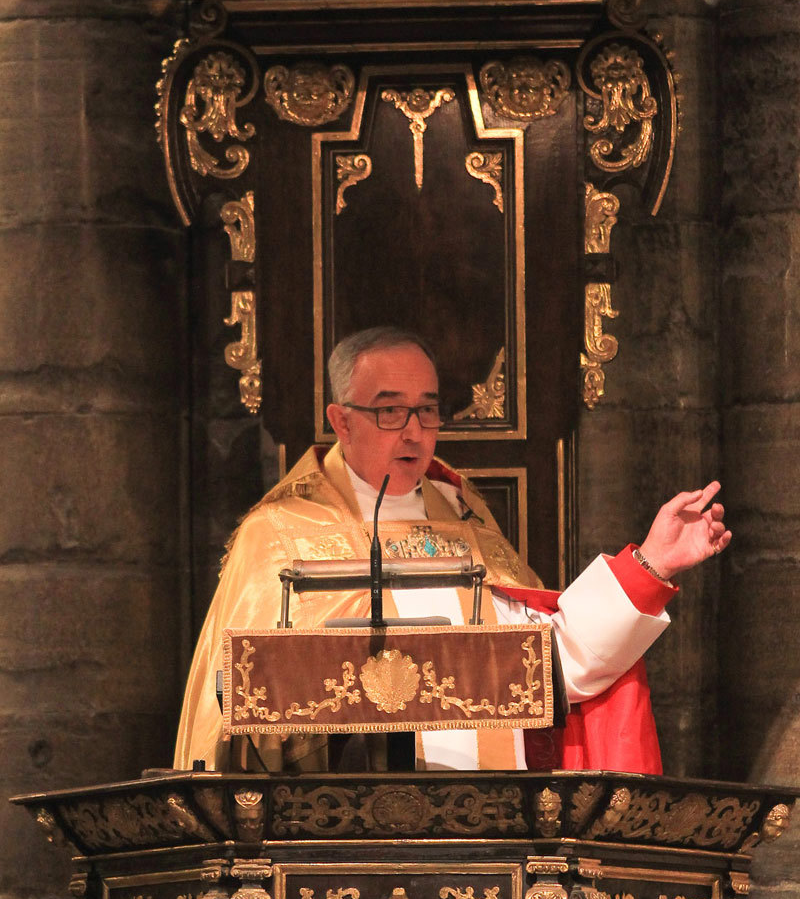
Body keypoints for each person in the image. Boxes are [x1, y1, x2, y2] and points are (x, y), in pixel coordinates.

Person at [173, 327, 730, 774]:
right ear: (341, 421)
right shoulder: (279, 533)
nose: (414, 432)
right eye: (390, 411)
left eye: (428, 410)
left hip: (485, 829)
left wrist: (651, 564)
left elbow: (543, 668)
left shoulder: (461, 516)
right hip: (330, 830)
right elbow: (234, 713)